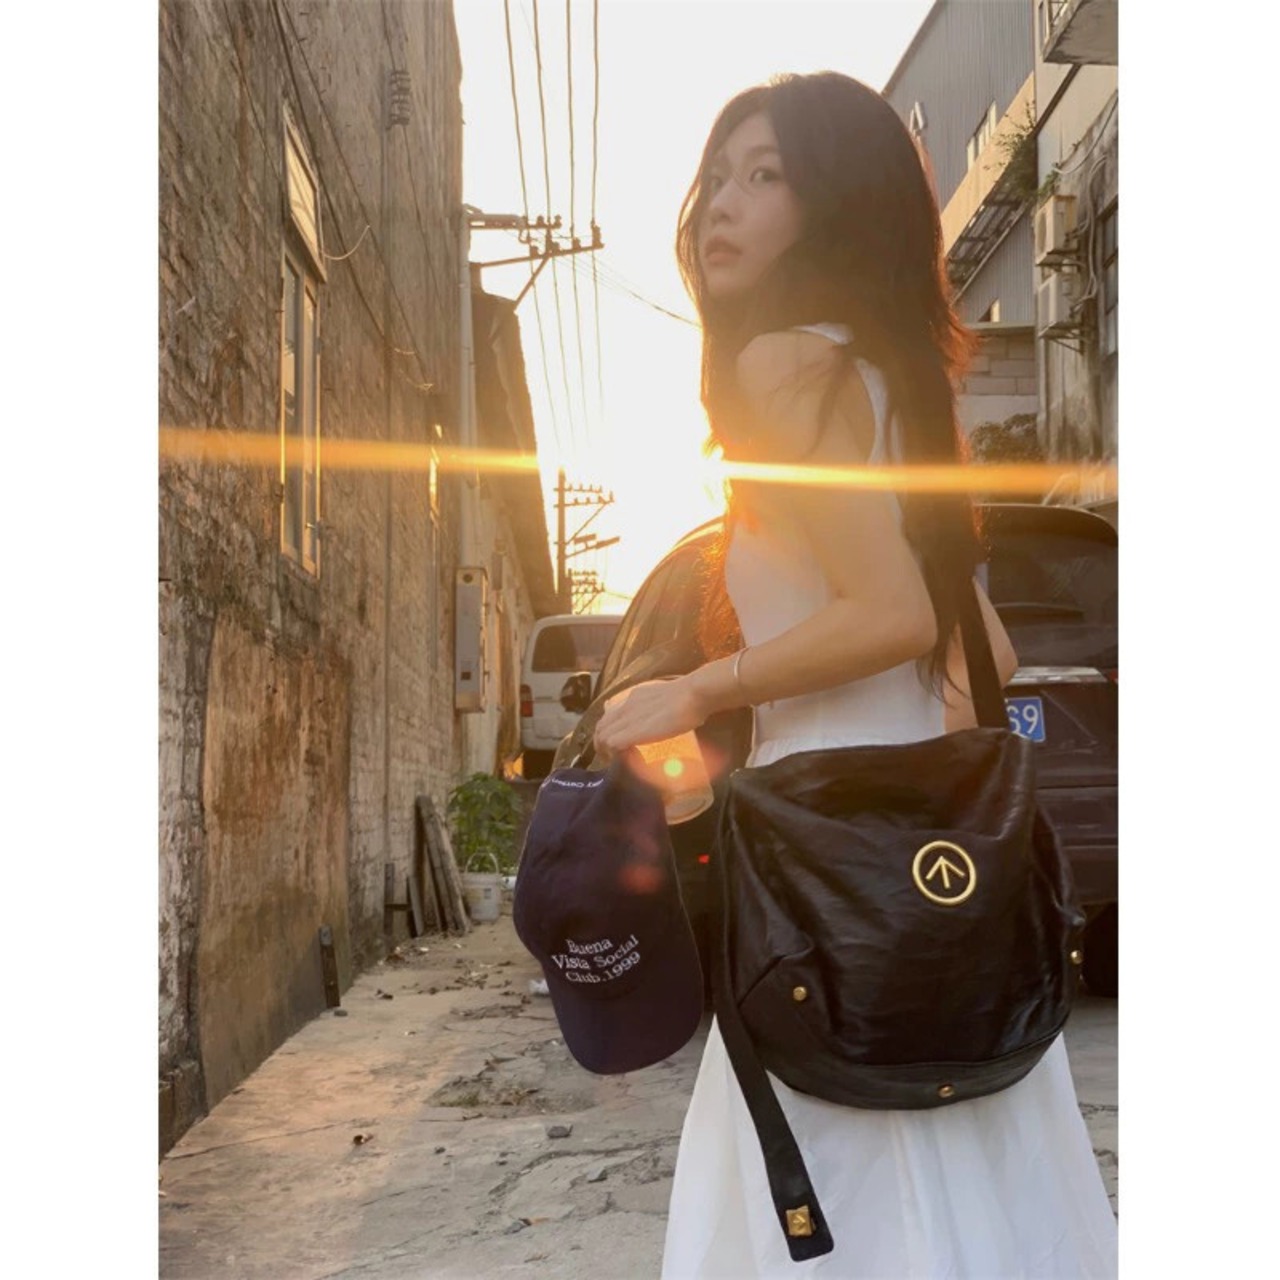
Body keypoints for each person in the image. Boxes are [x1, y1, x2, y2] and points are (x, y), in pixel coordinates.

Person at [592, 72, 1118, 1279]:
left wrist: (700, 688)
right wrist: (927, 789)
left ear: (833, 202)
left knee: (831, 1174)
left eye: (764, 175)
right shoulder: (892, 384)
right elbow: (979, 651)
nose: (721, 204)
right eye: (716, 176)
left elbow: (889, 611)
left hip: (817, 853)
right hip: (926, 870)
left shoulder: (784, 367)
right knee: (970, 1155)